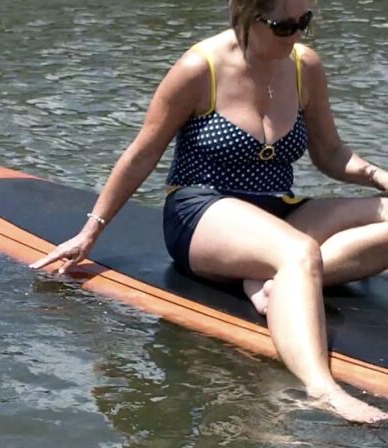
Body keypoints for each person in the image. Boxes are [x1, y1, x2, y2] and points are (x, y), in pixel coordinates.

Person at [30, 0, 388, 424]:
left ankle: (277, 282)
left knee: (305, 252)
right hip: (202, 211)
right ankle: (321, 390)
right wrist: (90, 232)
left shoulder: (304, 66)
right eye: (282, 25)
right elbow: (142, 154)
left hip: (280, 209)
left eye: (303, 22)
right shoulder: (200, 69)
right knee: (299, 254)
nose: (295, 35)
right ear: (247, 16)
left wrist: (377, 174)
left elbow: (329, 152)